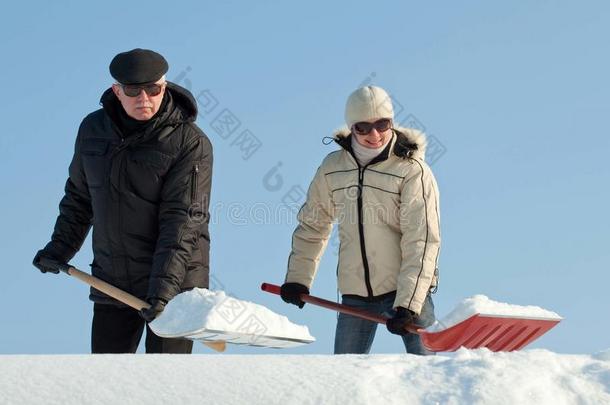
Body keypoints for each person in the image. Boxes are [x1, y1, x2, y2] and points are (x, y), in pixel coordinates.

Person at [33, 48, 213, 354]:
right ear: (117, 91)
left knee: (166, 390)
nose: (144, 98)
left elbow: (182, 221)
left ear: (164, 87)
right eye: (133, 90)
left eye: (153, 89)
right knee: (106, 384)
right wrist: (59, 247)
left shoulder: (190, 142)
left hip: (175, 289)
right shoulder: (93, 131)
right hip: (113, 282)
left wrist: (164, 292)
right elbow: (79, 197)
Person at [280, 86, 441, 354]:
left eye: (382, 124)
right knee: (344, 380)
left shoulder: (411, 170)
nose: (374, 134)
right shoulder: (333, 168)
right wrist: (298, 279)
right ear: (351, 127)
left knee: (430, 373)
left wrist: (409, 303)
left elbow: (422, 239)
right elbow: (313, 225)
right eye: (363, 127)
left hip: (406, 291)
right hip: (356, 295)